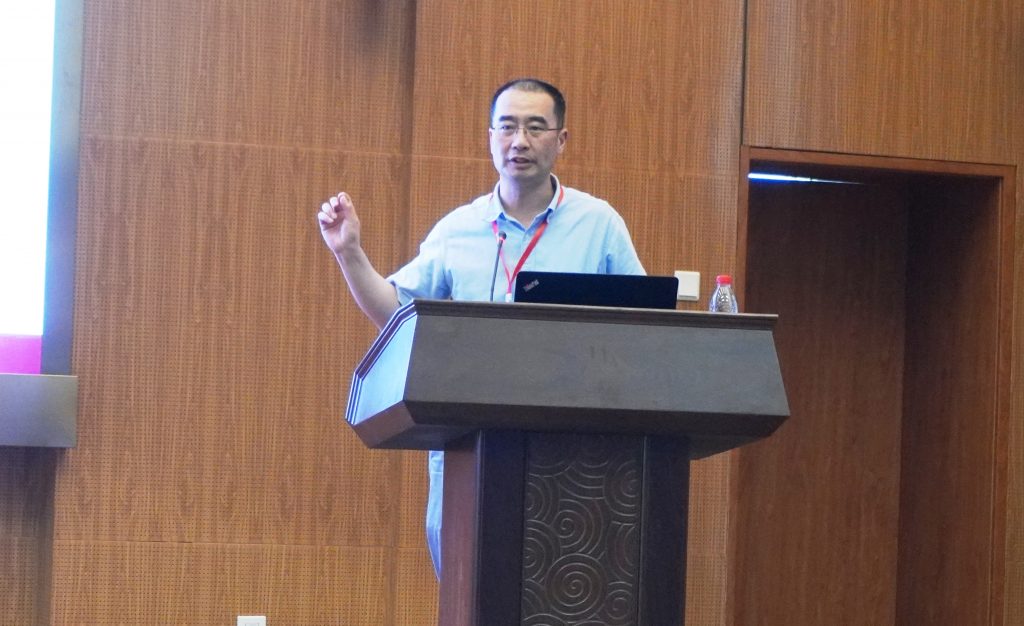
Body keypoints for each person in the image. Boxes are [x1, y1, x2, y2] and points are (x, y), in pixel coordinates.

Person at [317, 78, 645, 577]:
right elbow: (396, 314)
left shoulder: (599, 225)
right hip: (468, 441)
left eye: (535, 127)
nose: (520, 141)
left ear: (561, 139)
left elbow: (642, 321)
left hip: (569, 445)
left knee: (563, 584)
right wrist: (349, 252)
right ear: (490, 136)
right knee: (467, 587)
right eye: (507, 127)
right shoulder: (458, 229)